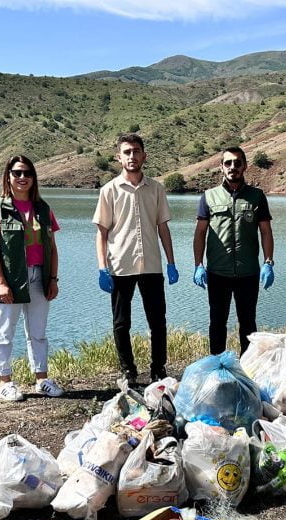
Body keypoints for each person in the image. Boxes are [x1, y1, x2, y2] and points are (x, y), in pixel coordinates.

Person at [93, 134, 179, 384]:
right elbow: (102, 233)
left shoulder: (156, 188)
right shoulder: (109, 190)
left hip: (152, 264)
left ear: (144, 155)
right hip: (121, 266)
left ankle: (158, 369)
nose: (132, 156)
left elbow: (163, 227)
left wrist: (171, 262)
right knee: (122, 323)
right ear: (119, 157)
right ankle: (128, 370)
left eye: (136, 151)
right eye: (127, 152)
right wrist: (102, 267)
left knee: (158, 321)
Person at [0, 154, 64, 402]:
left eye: (27, 173)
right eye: (16, 173)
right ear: (8, 176)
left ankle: (42, 379)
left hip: (39, 275)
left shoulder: (43, 209)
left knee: (38, 332)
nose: (22, 177)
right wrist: (1, 283)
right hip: (11, 278)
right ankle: (4, 382)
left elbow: (52, 247)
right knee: (4, 331)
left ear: (33, 178)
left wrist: (53, 279)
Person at [192, 146, 275, 355]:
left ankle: (248, 369)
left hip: (248, 272)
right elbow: (200, 233)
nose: (233, 167)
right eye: (228, 163)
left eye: (237, 163)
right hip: (218, 272)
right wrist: (198, 265)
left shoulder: (257, 197)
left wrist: (268, 262)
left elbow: (265, 231)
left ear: (245, 166)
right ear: (221, 167)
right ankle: (217, 367)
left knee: (248, 323)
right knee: (217, 322)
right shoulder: (209, 197)